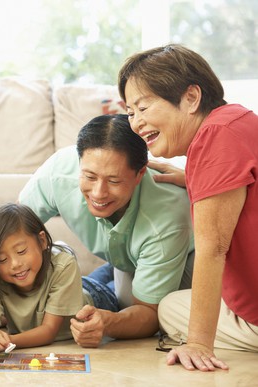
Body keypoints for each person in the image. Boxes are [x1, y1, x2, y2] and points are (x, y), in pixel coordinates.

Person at [119, 44, 258, 372]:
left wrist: (197, 343)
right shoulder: (237, 121)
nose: (136, 123)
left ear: (191, 98)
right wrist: (193, 179)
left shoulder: (214, 137)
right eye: (130, 112)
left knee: (168, 308)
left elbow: (213, 248)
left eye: (143, 107)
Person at [18, 114, 195, 348]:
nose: (99, 193)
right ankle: (107, 275)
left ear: (140, 174)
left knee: (123, 305)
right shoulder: (58, 172)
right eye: (89, 176)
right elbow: (9, 232)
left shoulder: (166, 220)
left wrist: (108, 323)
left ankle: (106, 280)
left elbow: (149, 315)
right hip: (127, 258)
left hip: (181, 260)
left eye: (114, 181)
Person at [0, 203, 93, 355]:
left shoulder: (64, 266)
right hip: (67, 284)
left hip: (94, 294)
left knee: (111, 285)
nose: (15, 264)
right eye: (1, 260)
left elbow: (48, 331)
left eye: (21, 251)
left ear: (42, 241)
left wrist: (6, 340)